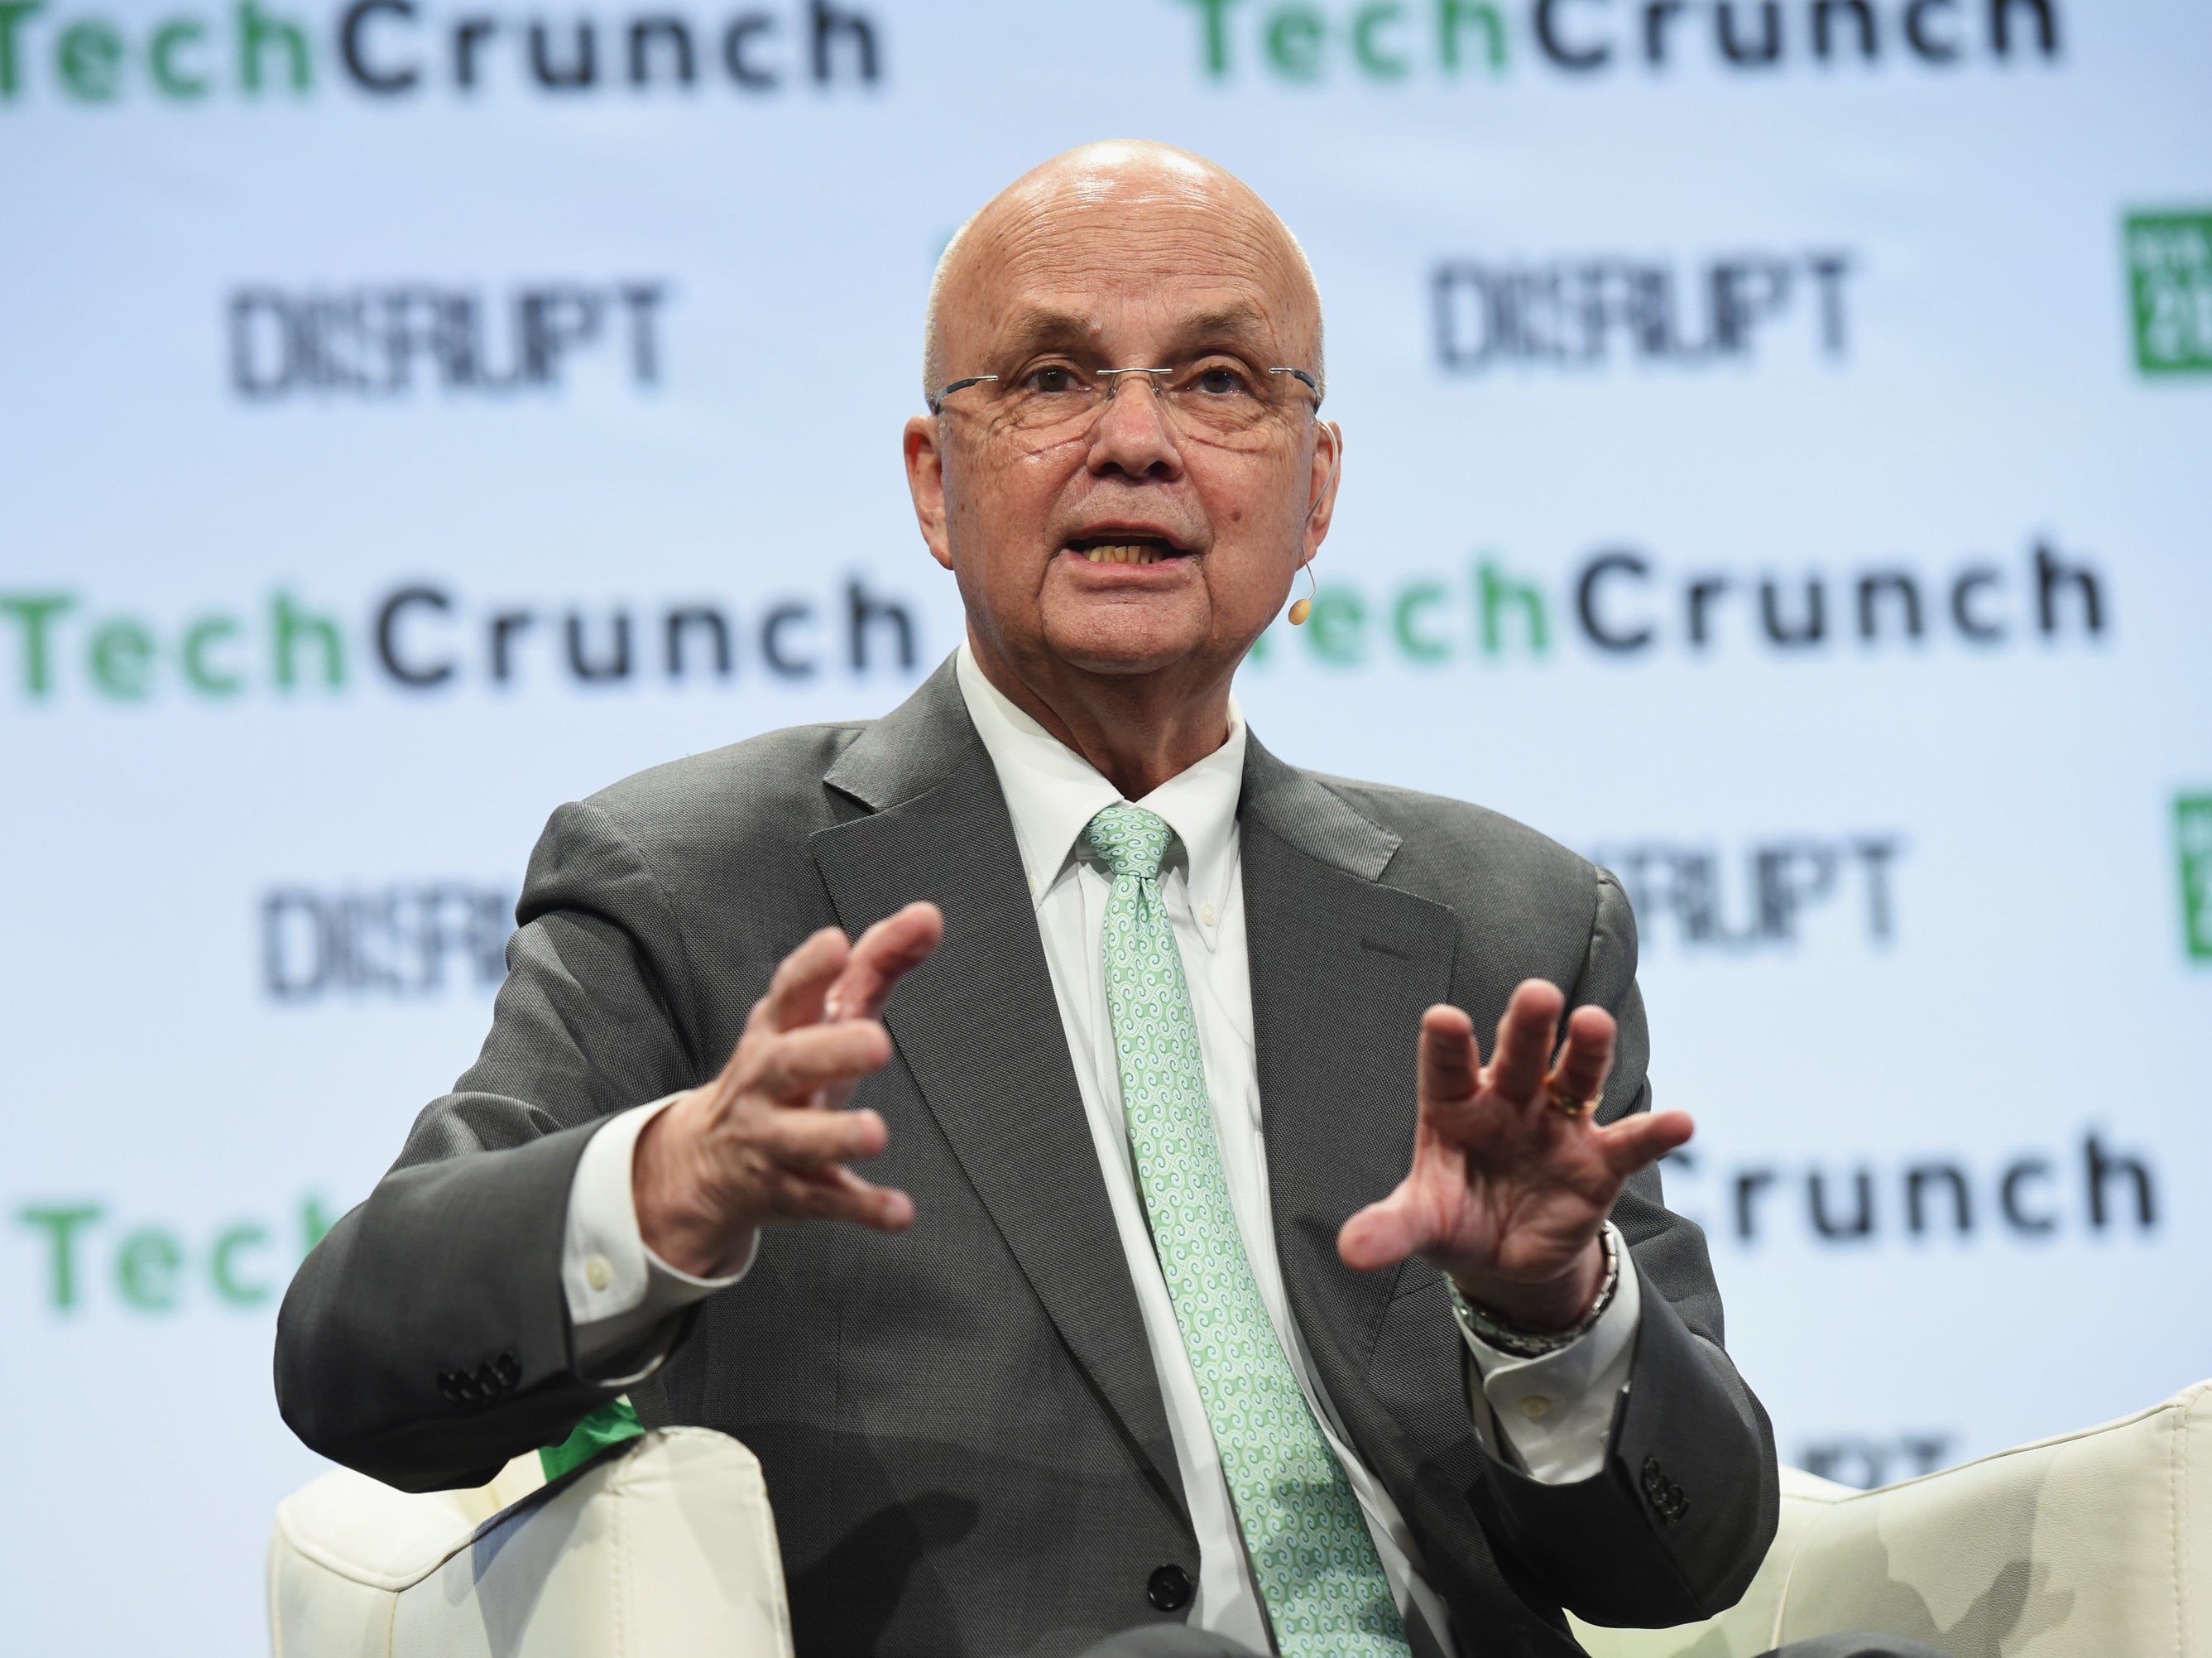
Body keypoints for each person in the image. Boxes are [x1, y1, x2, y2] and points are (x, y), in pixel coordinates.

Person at [276, 142, 1935, 1658]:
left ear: (1313, 491)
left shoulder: (1503, 920)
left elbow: (1686, 1560)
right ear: (935, 482)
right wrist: (664, 1186)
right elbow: (356, 1356)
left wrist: (1545, 1312)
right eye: (1052, 379)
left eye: (1215, 382)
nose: (1132, 441)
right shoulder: (701, 883)